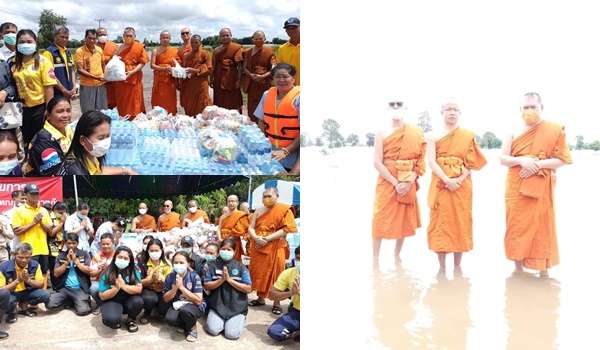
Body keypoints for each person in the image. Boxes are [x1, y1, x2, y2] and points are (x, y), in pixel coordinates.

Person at [500, 92, 572, 277]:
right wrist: (522, 160)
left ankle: (543, 273)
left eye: (533, 107)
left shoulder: (554, 130)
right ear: (520, 110)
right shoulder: (513, 131)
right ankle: (518, 273)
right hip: (516, 189)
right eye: (526, 107)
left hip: (541, 189)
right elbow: (503, 159)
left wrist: (536, 164)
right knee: (517, 226)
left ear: (542, 108)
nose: (530, 110)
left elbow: (562, 160)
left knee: (542, 227)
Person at [426, 99, 488, 271]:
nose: (452, 112)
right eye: (448, 109)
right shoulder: (433, 135)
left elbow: (471, 163)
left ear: (460, 114)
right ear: (442, 112)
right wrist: (447, 180)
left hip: (462, 186)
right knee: (440, 224)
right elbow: (431, 161)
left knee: (460, 222)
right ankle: (442, 268)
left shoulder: (467, 135)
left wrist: (458, 180)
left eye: (455, 110)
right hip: (441, 184)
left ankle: (458, 266)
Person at [372, 100, 426, 265]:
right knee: (379, 218)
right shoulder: (381, 133)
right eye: (392, 104)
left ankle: (396, 255)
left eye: (399, 104)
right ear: (387, 108)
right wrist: (396, 183)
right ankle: (375, 260)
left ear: (405, 108)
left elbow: (420, 161)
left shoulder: (416, 132)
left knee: (404, 218)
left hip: (408, 179)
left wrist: (409, 182)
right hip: (387, 180)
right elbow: (377, 162)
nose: (396, 107)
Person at [247, 186, 297, 314]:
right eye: (265, 196)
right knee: (259, 272)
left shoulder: (284, 210)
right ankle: (260, 298)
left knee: (277, 272)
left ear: (277, 196)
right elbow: (251, 227)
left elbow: (286, 229)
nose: (267, 199)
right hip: (258, 245)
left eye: (270, 196)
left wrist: (267, 239)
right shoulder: (258, 211)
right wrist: (256, 237)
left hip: (275, 245)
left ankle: (277, 302)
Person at [11, 29, 57, 147]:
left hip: (39, 107)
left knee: (39, 138)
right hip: (20, 108)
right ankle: (29, 160)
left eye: (29, 41)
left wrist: (49, 108)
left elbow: (49, 86)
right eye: (22, 41)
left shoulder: (43, 62)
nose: (25, 44)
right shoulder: (13, 62)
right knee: (25, 138)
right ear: (17, 44)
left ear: (35, 44)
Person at [58, 110, 137, 175]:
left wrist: (124, 170)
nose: (105, 141)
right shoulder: (74, 171)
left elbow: (98, 171)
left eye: (107, 136)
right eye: (100, 138)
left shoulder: (89, 155)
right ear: (83, 140)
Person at [254, 63, 300, 174]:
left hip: (294, 151)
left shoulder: (299, 98)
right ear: (273, 79)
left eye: (285, 76)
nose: (281, 80)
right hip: (270, 150)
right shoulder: (267, 94)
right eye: (277, 77)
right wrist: (262, 143)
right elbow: (261, 120)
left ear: (293, 79)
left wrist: (286, 151)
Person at [204, 238, 252, 339]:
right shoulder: (213, 267)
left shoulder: (241, 268)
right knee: (213, 330)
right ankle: (222, 321)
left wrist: (229, 280)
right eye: (223, 249)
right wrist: (221, 280)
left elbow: (248, 289)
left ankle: (239, 319)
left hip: (236, 308)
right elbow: (207, 285)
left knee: (231, 335)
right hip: (217, 306)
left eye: (229, 250)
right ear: (219, 250)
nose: (226, 252)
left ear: (234, 252)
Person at [11, 183, 52, 291]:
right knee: (28, 274)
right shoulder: (19, 211)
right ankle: (28, 298)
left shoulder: (43, 210)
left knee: (43, 272)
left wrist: (41, 223)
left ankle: (42, 295)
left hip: (43, 249)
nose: (35, 196)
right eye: (32, 194)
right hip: (27, 251)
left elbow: (50, 230)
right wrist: (34, 223)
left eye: (37, 194)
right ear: (25, 195)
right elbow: (17, 231)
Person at [0, 242, 51, 323]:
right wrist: (17, 281)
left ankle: (23, 304)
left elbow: (41, 284)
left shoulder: (35, 265)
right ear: (14, 254)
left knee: (45, 294)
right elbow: (1, 290)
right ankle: (12, 310)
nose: (24, 260)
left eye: (27, 257)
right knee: (6, 301)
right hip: (12, 294)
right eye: (20, 257)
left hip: (27, 292)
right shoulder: (3, 267)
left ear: (31, 255)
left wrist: (28, 280)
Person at [98, 246, 143, 332]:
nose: (122, 260)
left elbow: (139, 289)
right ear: (115, 257)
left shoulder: (134, 271)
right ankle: (114, 315)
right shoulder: (107, 272)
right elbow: (102, 296)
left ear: (130, 261)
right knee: (111, 320)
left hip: (128, 299)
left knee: (138, 302)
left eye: (126, 258)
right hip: (112, 299)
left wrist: (123, 286)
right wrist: (116, 288)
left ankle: (130, 319)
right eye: (120, 257)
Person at [25, 96, 73, 175]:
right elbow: (57, 172)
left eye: (68, 110)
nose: (65, 115)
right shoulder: (43, 140)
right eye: (60, 111)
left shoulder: (68, 128)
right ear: (48, 115)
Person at [46, 233, 91, 316]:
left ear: (78, 243)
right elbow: (55, 274)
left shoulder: (84, 254)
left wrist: (76, 261)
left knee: (83, 311)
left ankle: (80, 299)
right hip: (65, 288)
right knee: (49, 304)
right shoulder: (60, 256)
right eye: (69, 243)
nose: (71, 246)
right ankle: (70, 300)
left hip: (79, 288)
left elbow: (89, 271)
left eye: (74, 243)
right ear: (65, 243)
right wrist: (66, 262)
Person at [163, 251, 204, 342]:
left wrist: (181, 288)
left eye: (181, 262)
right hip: (178, 304)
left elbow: (198, 301)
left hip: (193, 305)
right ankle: (185, 325)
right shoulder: (170, 277)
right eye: (176, 262)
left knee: (186, 311)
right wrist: (175, 288)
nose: (178, 265)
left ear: (188, 264)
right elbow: (166, 299)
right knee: (170, 319)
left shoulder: (194, 277)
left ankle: (193, 328)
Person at [114, 27, 149, 120]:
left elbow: (143, 62)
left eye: (130, 36)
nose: (128, 37)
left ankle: (135, 118)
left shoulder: (139, 47)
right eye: (127, 36)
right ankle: (123, 116)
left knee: (135, 100)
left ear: (134, 36)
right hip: (121, 78)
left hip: (134, 77)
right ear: (123, 36)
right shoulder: (119, 47)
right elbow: (114, 61)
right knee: (122, 99)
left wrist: (133, 71)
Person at [267, 245, 300, 342]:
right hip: (297, 312)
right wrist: (292, 293)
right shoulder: (289, 273)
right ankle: (297, 333)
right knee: (275, 332)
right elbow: (272, 295)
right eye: (298, 258)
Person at [243, 30, 277, 123]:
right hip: (252, 82)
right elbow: (244, 67)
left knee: (265, 103)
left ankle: (265, 126)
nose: (258, 41)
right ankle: (252, 124)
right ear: (253, 40)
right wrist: (251, 75)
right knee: (252, 105)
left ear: (265, 39)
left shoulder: (269, 51)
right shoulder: (248, 52)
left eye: (261, 39)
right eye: (256, 39)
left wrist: (263, 76)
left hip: (264, 83)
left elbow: (274, 67)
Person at [138, 238, 171, 324]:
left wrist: (159, 279)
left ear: (162, 250)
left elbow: (171, 283)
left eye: (156, 250)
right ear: (147, 250)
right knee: (149, 299)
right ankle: (147, 313)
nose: (154, 253)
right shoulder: (142, 264)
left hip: (163, 290)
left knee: (165, 311)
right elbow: (138, 282)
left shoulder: (168, 264)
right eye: (151, 250)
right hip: (149, 290)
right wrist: (151, 278)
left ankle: (157, 308)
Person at [210, 28, 244, 113]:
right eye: (223, 36)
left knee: (233, 99)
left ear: (231, 36)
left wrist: (239, 80)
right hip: (219, 77)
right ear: (219, 37)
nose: (225, 37)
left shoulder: (237, 48)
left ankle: (235, 118)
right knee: (219, 99)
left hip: (232, 77)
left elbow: (240, 66)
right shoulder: (216, 50)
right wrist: (211, 79)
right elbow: (213, 66)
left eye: (227, 35)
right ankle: (220, 118)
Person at [75, 29, 108, 113]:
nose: (92, 40)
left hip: (100, 84)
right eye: (89, 38)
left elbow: (103, 65)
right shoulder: (80, 51)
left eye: (94, 38)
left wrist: (106, 76)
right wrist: (95, 77)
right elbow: (80, 70)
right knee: (88, 111)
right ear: (85, 38)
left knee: (102, 110)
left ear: (96, 39)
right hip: (87, 85)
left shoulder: (99, 50)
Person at [180, 34, 213, 116]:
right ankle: (191, 120)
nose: (194, 44)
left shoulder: (205, 54)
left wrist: (195, 71)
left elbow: (210, 70)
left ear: (200, 43)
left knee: (202, 101)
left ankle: (204, 120)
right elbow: (184, 69)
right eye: (193, 42)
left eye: (196, 42)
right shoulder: (186, 55)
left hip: (201, 83)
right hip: (189, 83)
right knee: (189, 102)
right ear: (190, 43)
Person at [150, 31, 180, 115]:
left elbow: (177, 65)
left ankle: (171, 115)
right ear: (160, 39)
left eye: (167, 38)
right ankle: (158, 116)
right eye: (163, 38)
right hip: (159, 80)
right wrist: (165, 69)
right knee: (159, 98)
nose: (165, 40)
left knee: (170, 99)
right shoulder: (155, 51)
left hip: (170, 80)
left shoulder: (174, 51)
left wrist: (177, 74)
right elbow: (152, 65)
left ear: (170, 39)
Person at [42, 26, 76, 99]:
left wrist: (74, 87)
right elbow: (50, 75)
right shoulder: (48, 53)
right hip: (55, 94)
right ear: (54, 35)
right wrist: (64, 90)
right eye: (62, 37)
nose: (64, 40)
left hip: (68, 93)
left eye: (67, 37)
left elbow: (72, 71)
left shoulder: (68, 53)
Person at [217, 195, 250, 262]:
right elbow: (218, 229)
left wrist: (226, 240)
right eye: (228, 201)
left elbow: (239, 231)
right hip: (221, 241)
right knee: (221, 261)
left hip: (233, 242)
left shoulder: (241, 215)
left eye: (232, 201)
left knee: (234, 261)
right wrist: (220, 239)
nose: (230, 203)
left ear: (237, 203)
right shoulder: (222, 216)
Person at [89, 233, 116, 314]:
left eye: (108, 244)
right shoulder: (97, 256)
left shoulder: (118, 255)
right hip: (101, 282)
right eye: (103, 244)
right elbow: (92, 274)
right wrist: (101, 270)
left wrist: (110, 268)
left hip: (116, 282)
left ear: (113, 243)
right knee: (93, 288)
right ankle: (100, 304)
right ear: (100, 244)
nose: (105, 246)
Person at [47, 201, 68, 289]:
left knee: (63, 266)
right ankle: (56, 288)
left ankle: (62, 287)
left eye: (64, 212)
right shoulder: (50, 218)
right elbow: (51, 233)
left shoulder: (66, 218)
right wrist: (61, 223)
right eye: (60, 213)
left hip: (63, 246)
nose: (62, 214)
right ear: (54, 210)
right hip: (53, 247)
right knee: (54, 268)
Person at [96, 27, 117, 109]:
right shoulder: (93, 46)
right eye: (100, 35)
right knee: (99, 99)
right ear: (97, 36)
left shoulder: (113, 45)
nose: (102, 36)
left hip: (111, 78)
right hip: (97, 77)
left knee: (112, 100)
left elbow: (115, 62)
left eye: (104, 34)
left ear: (107, 35)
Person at [278, 18, 300, 86]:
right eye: (288, 28)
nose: (291, 31)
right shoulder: (282, 48)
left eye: (294, 28)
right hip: (290, 87)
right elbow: (281, 69)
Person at [3, 190, 25, 254]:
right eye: (22, 198)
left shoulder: (30, 212)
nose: (24, 201)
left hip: (28, 245)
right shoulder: (8, 214)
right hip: (13, 247)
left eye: (25, 199)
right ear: (14, 199)